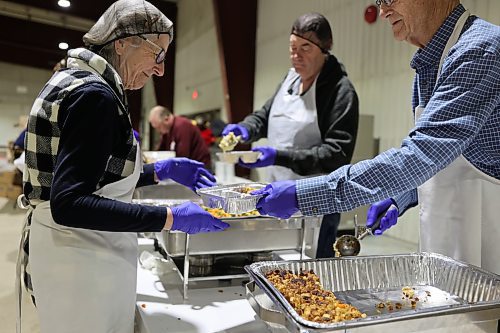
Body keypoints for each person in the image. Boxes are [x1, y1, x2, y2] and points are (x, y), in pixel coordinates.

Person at [16, 1, 229, 332]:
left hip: (66, 248)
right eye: (157, 55)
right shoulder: (94, 95)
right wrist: (170, 218)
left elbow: (94, 178)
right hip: (80, 257)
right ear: (122, 42)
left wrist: (159, 172)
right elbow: (70, 203)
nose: (160, 69)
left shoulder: (76, 79)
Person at [252, 0, 500, 278]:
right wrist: (401, 196)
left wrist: (302, 195)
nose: (382, 11)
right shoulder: (431, 63)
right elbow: (446, 155)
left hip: (491, 245)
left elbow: (421, 155)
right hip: (453, 243)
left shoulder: (480, 49)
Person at [221, 12, 358, 258]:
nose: (297, 55)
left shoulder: (340, 91)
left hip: (316, 204)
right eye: (293, 48)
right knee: (277, 261)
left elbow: (336, 154)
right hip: (279, 195)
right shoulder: (290, 79)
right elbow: (265, 115)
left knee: (311, 271)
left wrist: (278, 156)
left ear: (325, 49)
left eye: (306, 48)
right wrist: (245, 128)